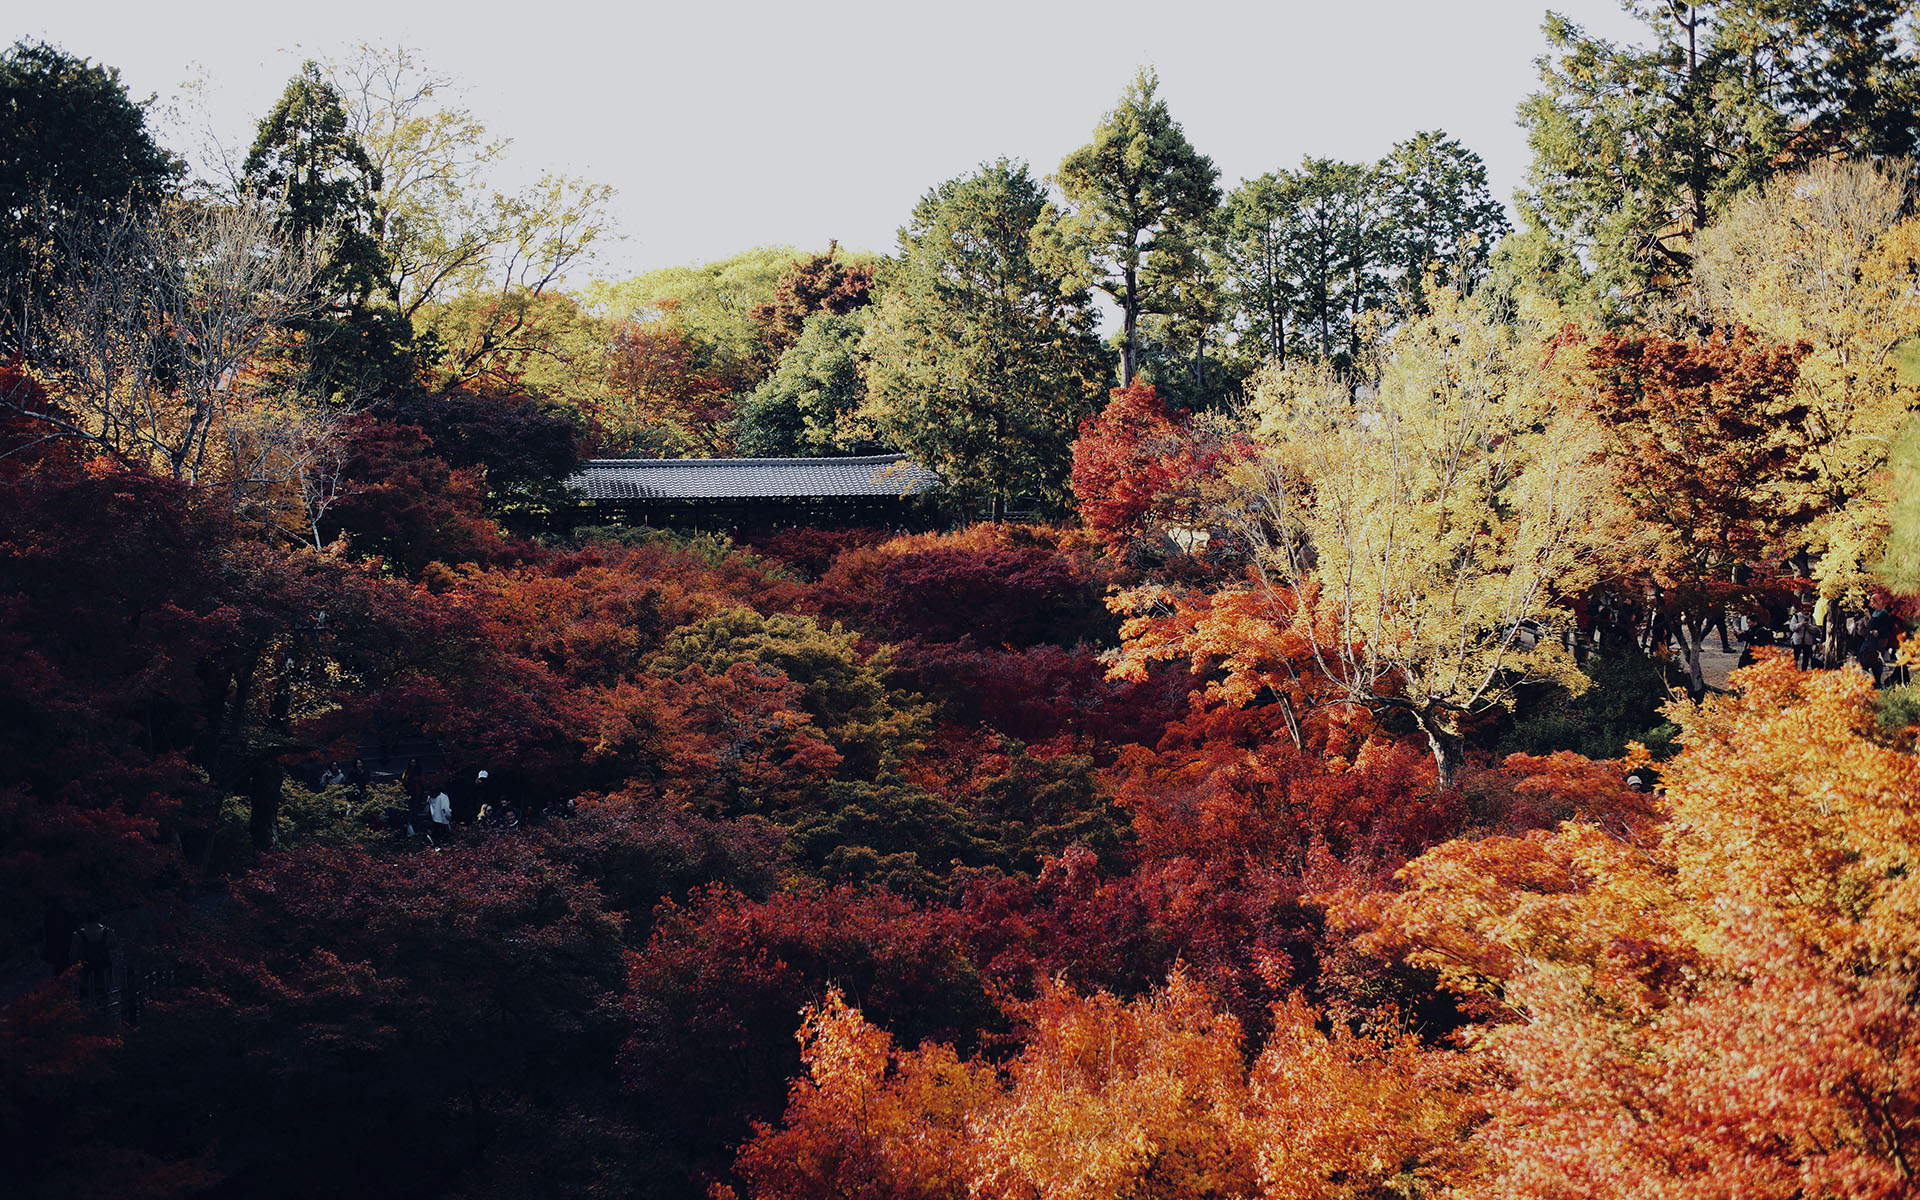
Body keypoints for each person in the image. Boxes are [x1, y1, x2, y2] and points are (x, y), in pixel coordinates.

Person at [69, 911, 118, 1004]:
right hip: (103, 973)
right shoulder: (108, 933)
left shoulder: (78, 935)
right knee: (103, 1000)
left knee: (86, 1002)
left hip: (85, 974)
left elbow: (73, 957)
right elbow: (115, 953)